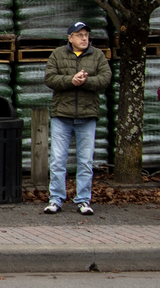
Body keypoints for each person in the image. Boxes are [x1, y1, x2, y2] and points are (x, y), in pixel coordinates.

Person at [42, 22, 111, 215]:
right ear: (70, 37)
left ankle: (83, 200)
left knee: (86, 161)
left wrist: (86, 81)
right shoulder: (57, 54)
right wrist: (71, 80)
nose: (84, 38)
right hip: (62, 116)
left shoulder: (97, 55)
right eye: (79, 35)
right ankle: (55, 199)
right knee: (57, 160)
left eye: (86, 35)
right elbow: (50, 79)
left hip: (87, 115)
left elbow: (106, 79)